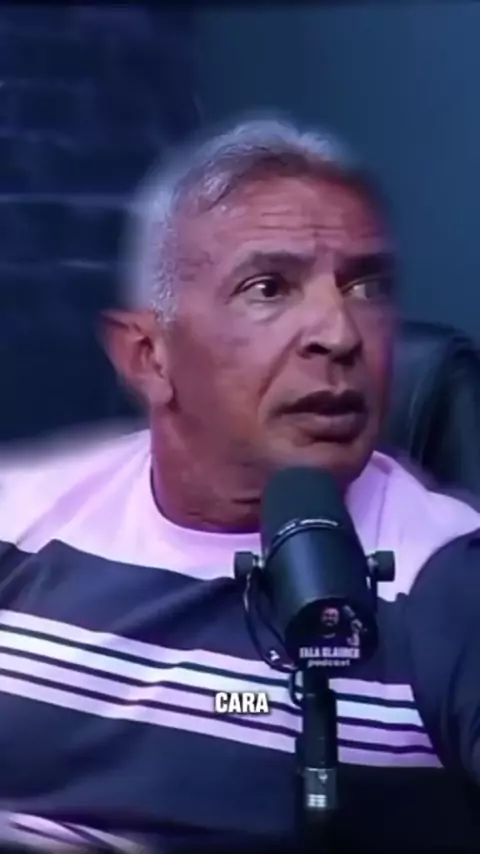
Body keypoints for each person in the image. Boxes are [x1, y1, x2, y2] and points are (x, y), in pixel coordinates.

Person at [0, 116, 480, 854]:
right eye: (269, 287)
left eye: (366, 286)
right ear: (149, 356)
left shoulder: (446, 580)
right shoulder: (22, 524)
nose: (340, 334)